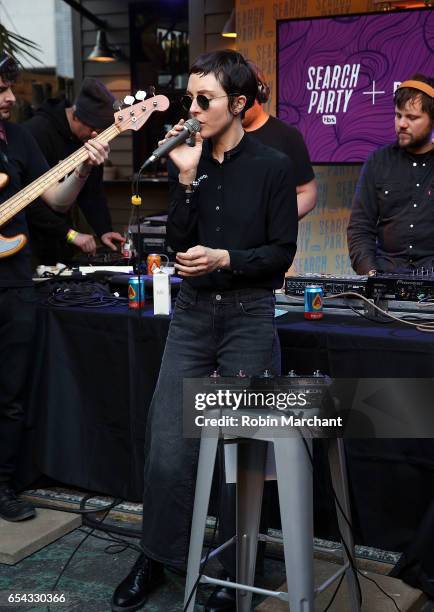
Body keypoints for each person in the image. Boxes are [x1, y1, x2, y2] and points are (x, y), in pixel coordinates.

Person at [111, 50, 298, 612]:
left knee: (237, 451)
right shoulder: (191, 161)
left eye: (204, 100)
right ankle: (157, 555)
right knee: (169, 444)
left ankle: (231, 564)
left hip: (247, 314)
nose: (191, 110)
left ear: (238, 104)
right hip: (192, 315)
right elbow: (173, 243)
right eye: (190, 98)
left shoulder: (272, 166)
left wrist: (225, 259)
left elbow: (280, 254)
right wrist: (188, 178)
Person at [0, 53, 109, 522]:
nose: (9, 98)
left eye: (9, 88)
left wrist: (83, 168)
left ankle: (3, 485)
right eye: (0, 90)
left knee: (9, 392)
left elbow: (56, 200)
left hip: (14, 284)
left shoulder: (20, 138)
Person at [23, 77, 124, 264]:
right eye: (94, 130)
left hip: (61, 243)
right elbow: (28, 200)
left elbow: (92, 190)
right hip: (30, 243)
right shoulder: (35, 133)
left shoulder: (87, 140)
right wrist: (70, 234)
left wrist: (104, 230)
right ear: (77, 116)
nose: (95, 136)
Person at [347, 74, 434, 275]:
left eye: (412, 117)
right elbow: (360, 228)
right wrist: (372, 275)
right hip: (385, 277)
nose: (402, 123)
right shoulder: (377, 161)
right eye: (398, 115)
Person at [242, 61, 317, 219]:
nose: (237, 106)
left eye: (243, 99)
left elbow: (308, 194)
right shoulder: (219, 137)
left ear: (260, 93)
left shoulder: (288, 135)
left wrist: (276, 221)